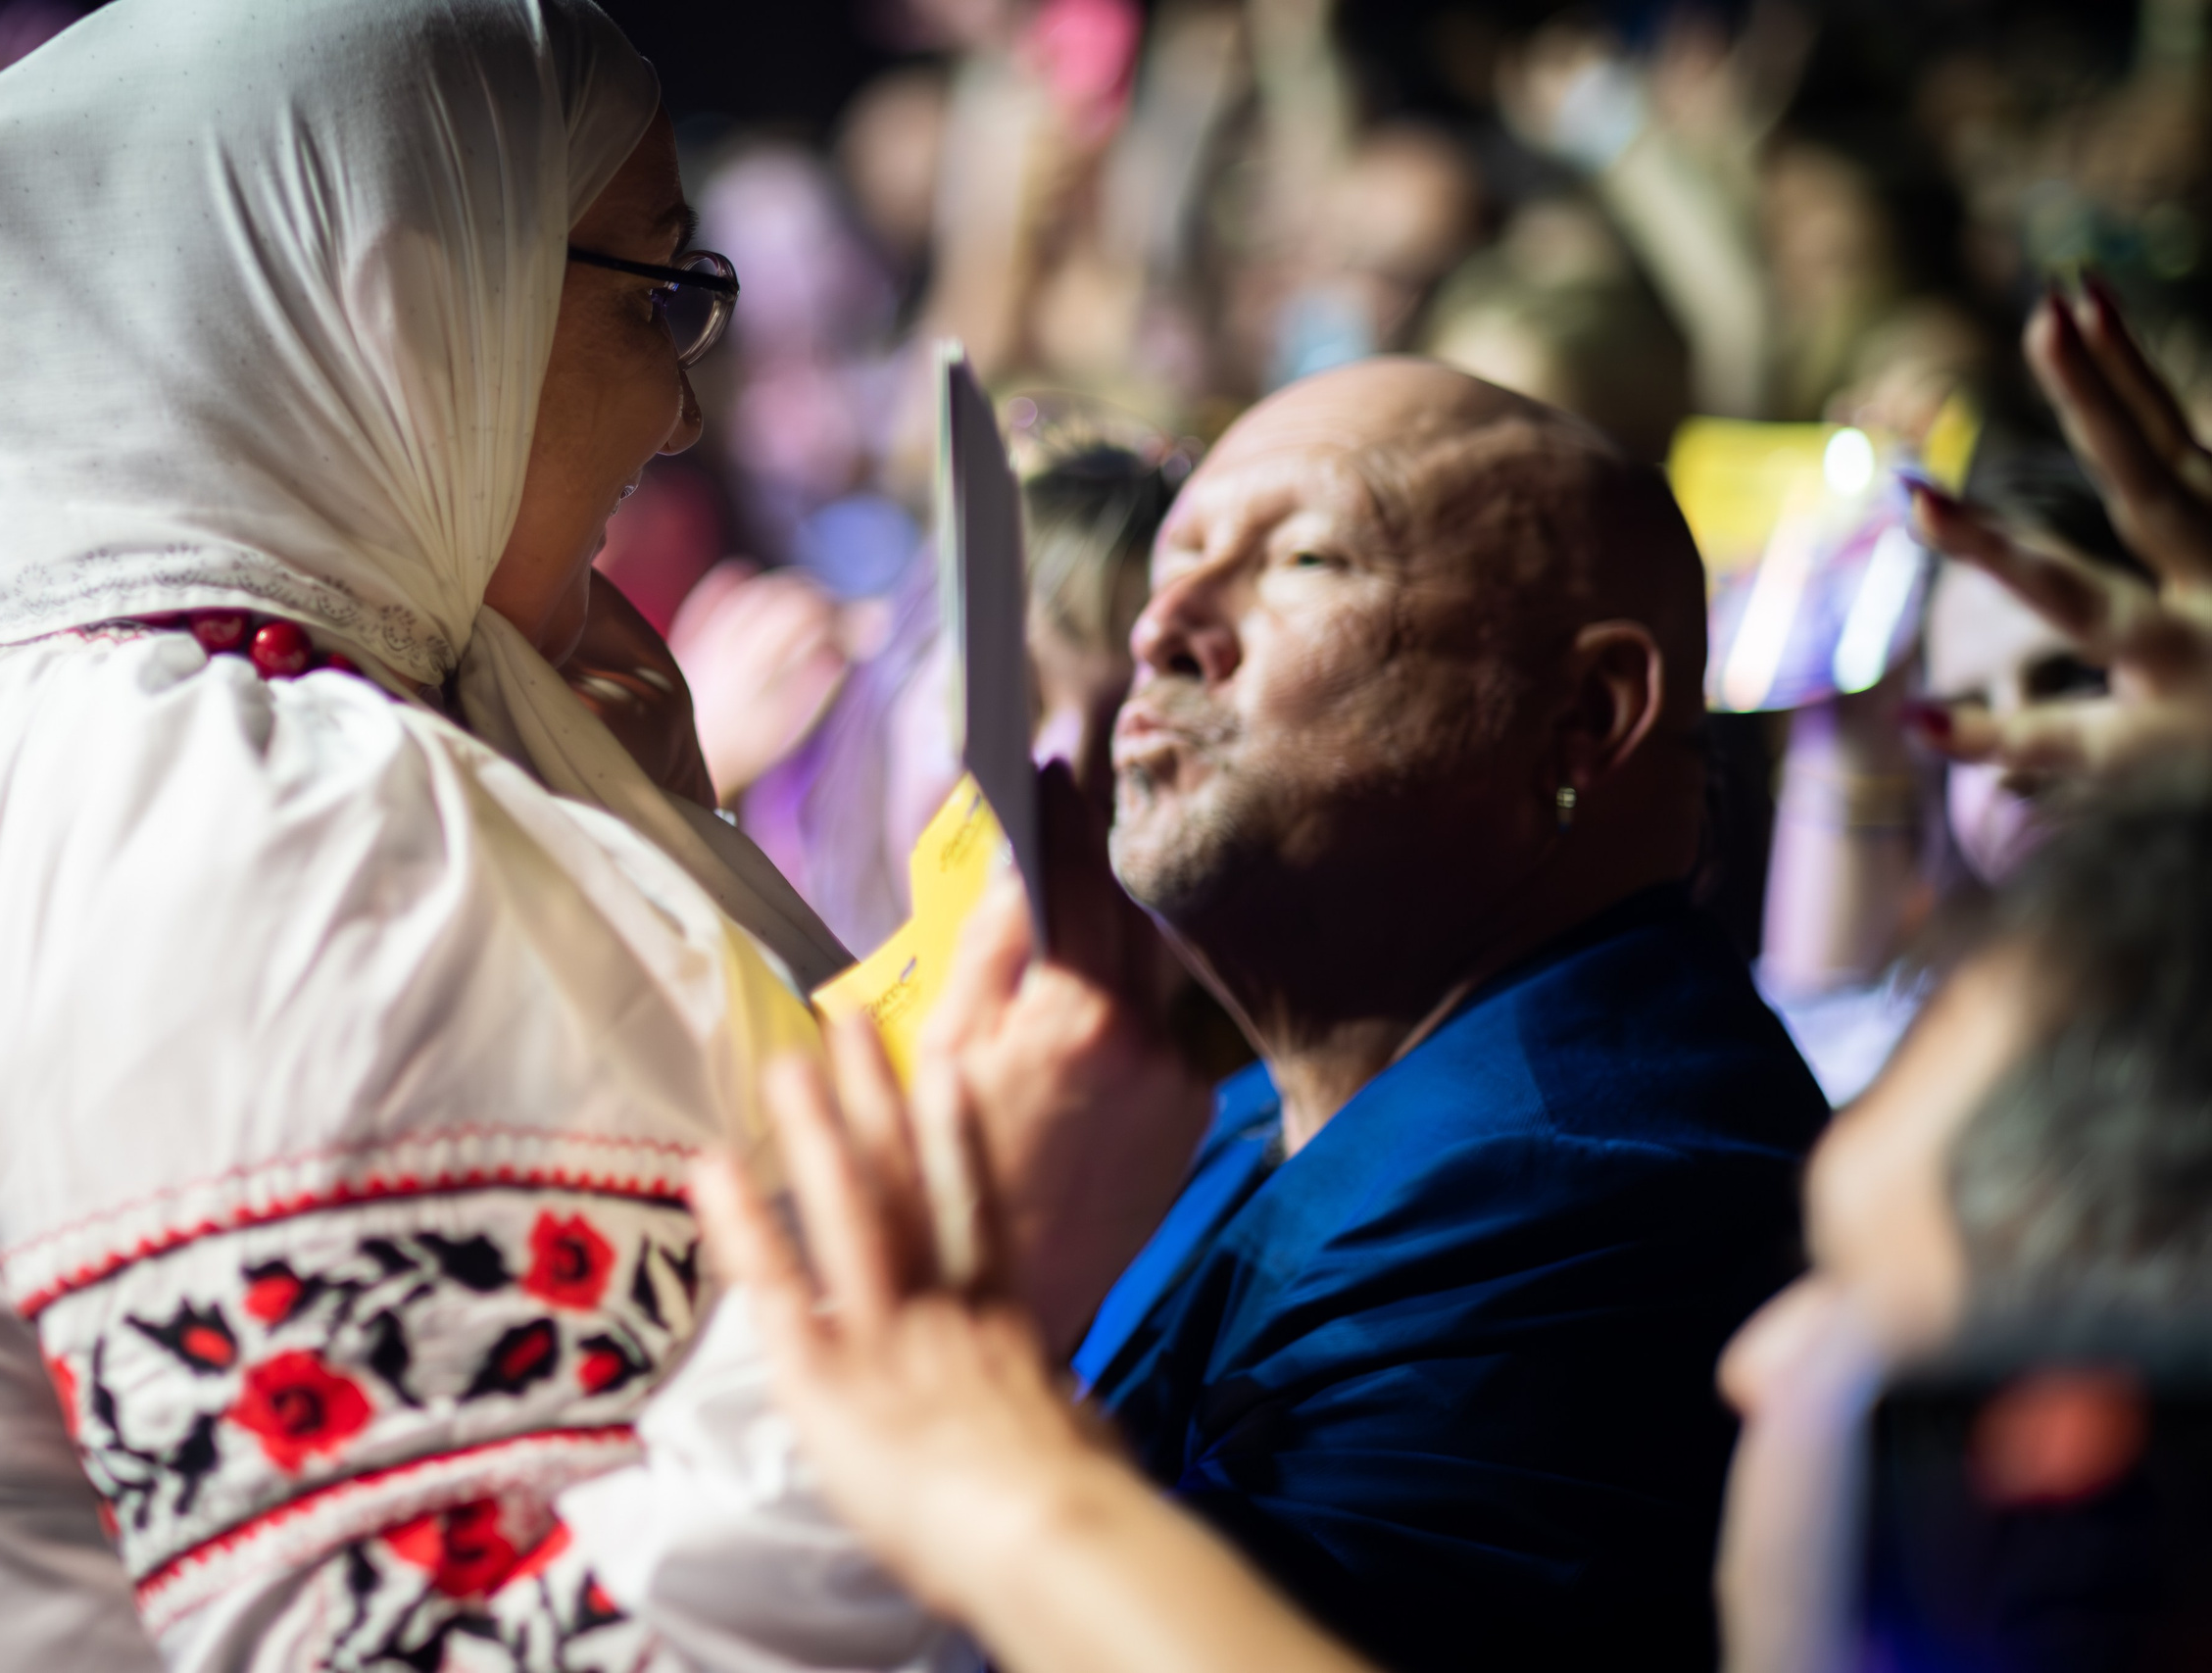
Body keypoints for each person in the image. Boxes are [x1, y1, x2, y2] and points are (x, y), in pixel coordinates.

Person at [0, 1, 852, 1669]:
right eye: (661, 293)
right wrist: (986, 1248)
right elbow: (439, 1639)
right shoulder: (246, 806)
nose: (682, 413)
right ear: (409, 281)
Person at [567, 357, 1830, 1673]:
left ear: (1586, 717)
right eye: (1178, 564)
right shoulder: (1247, 1098)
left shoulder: (1592, 1197)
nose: (1165, 627)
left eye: (1308, 562)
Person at [689, 757, 2212, 1673]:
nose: (1753, 1362)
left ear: (2070, 1456)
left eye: (1857, 1291)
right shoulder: (1263, 1106)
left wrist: (1009, 1484)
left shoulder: (1573, 1154)